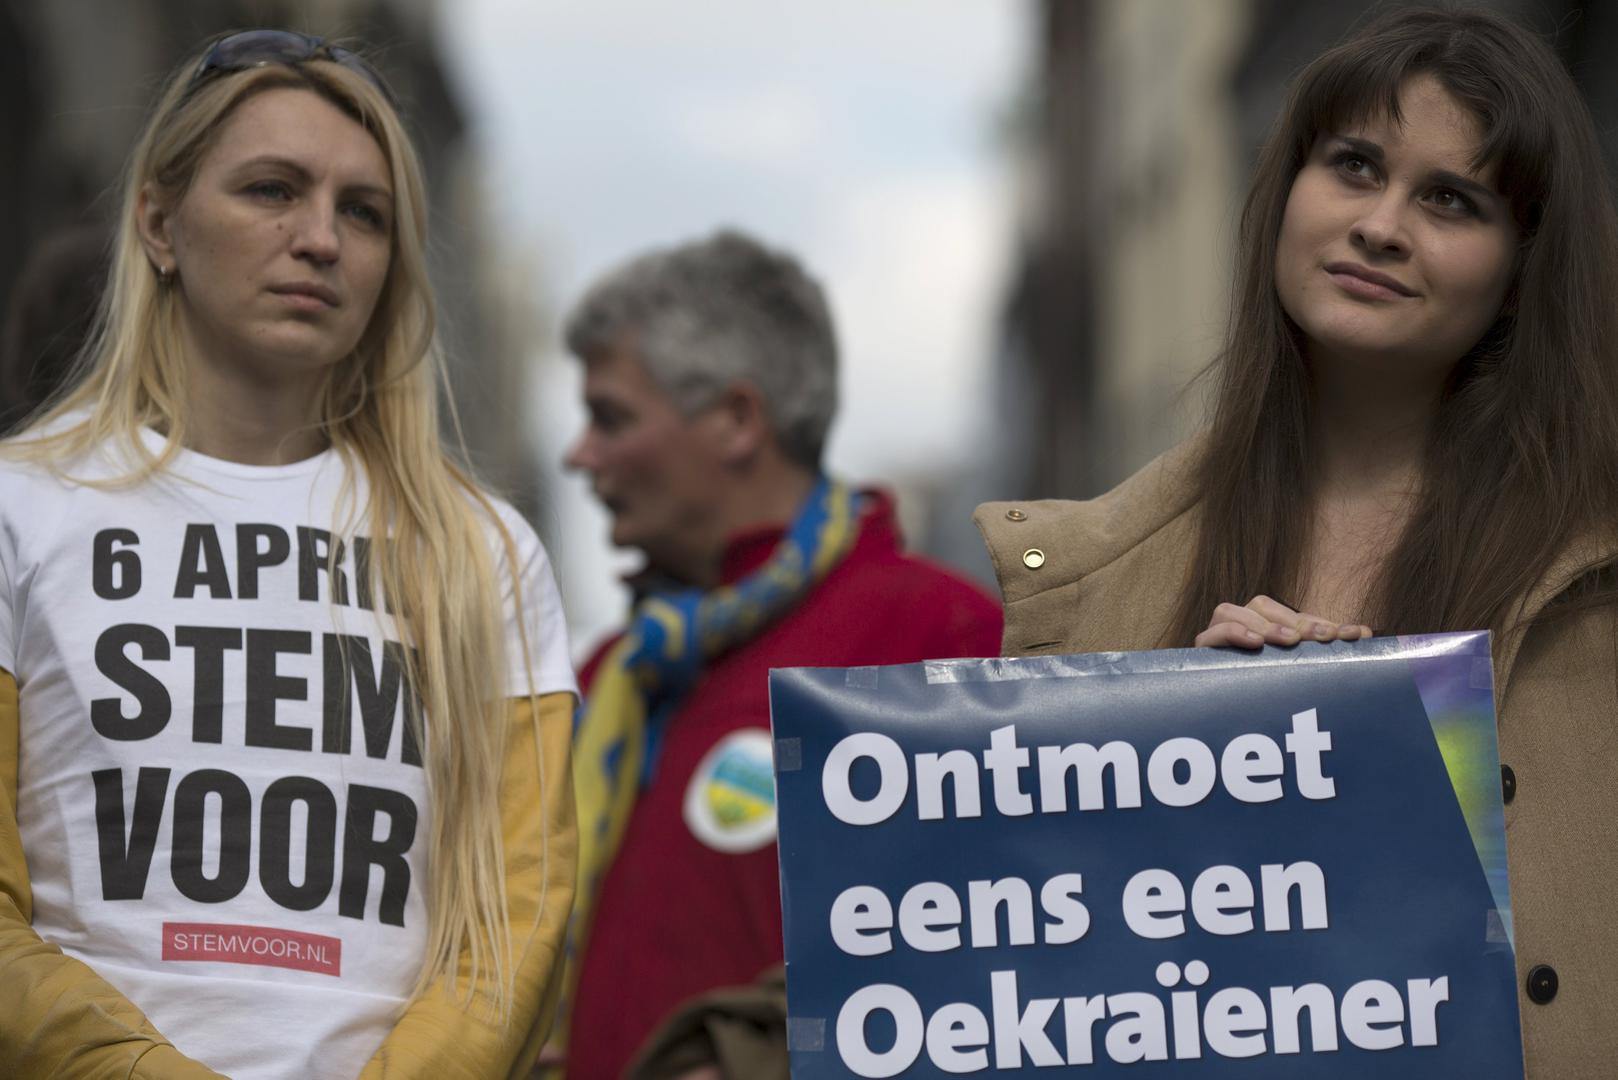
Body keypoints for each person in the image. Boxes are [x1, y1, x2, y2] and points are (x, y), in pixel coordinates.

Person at [976, 7, 1617, 1078]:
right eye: (1354, 166)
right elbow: (1022, 972)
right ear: (1282, 192)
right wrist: (1181, 763)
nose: (1381, 226)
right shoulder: (1093, 580)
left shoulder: (1593, 574)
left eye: (1450, 199)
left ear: (1523, 270)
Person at [0, 30, 577, 1079]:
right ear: (158, 223)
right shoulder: (22, 508)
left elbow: (514, 920)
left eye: (364, 212)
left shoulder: (482, 553)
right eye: (272, 190)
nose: (320, 239)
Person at [558, 229, 1004, 1078]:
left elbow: (1010, 975)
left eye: (610, 417)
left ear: (735, 420)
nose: (577, 455)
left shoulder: (944, 643)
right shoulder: (613, 674)